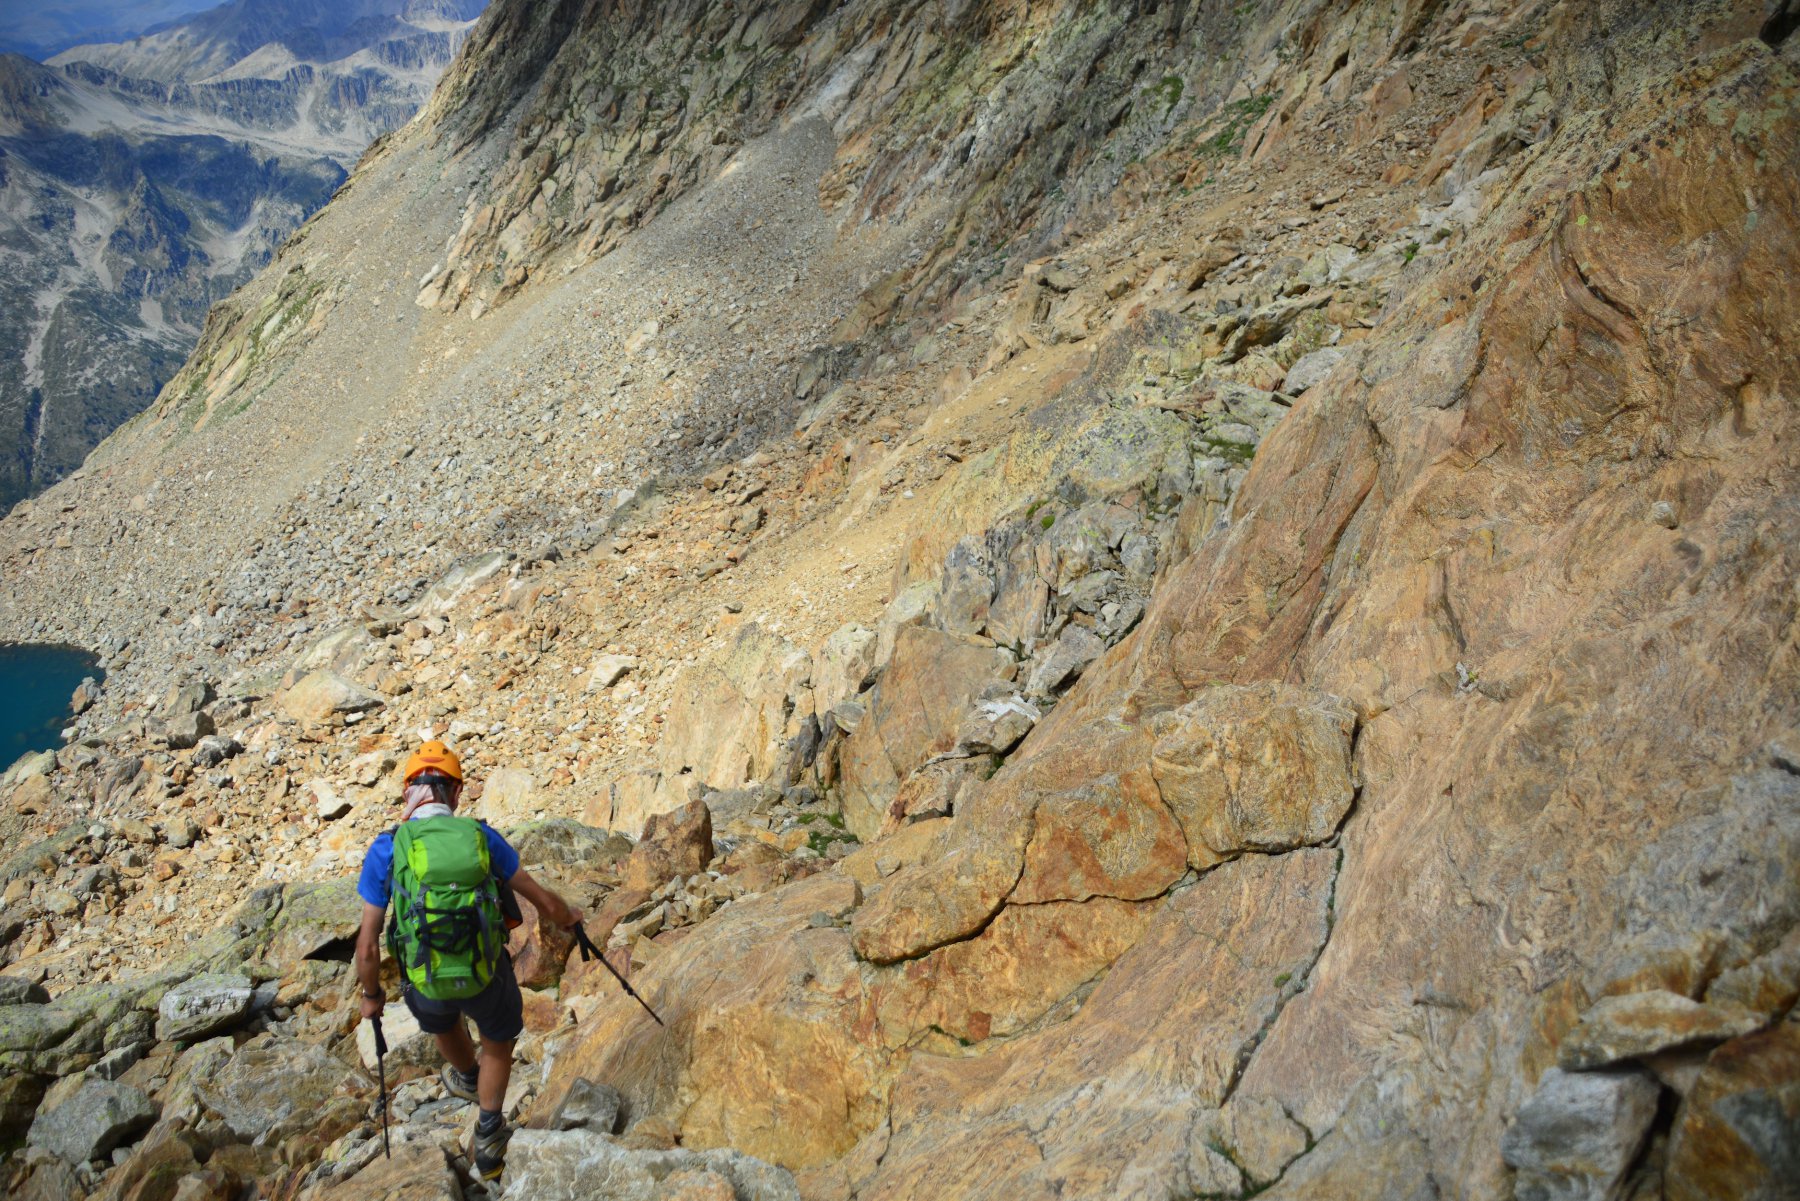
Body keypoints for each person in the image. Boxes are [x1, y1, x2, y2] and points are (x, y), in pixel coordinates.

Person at [353, 740, 582, 1181]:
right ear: (456, 793)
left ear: (408, 793)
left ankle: (465, 1075)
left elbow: (366, 948)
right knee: (498, 1037)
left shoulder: (388, 848)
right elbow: (540, 899)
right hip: (484, 973)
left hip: (425, 978)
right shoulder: (481, 837)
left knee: (441, 1019)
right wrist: (568, 915)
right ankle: (490, 1134)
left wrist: (371, 996)